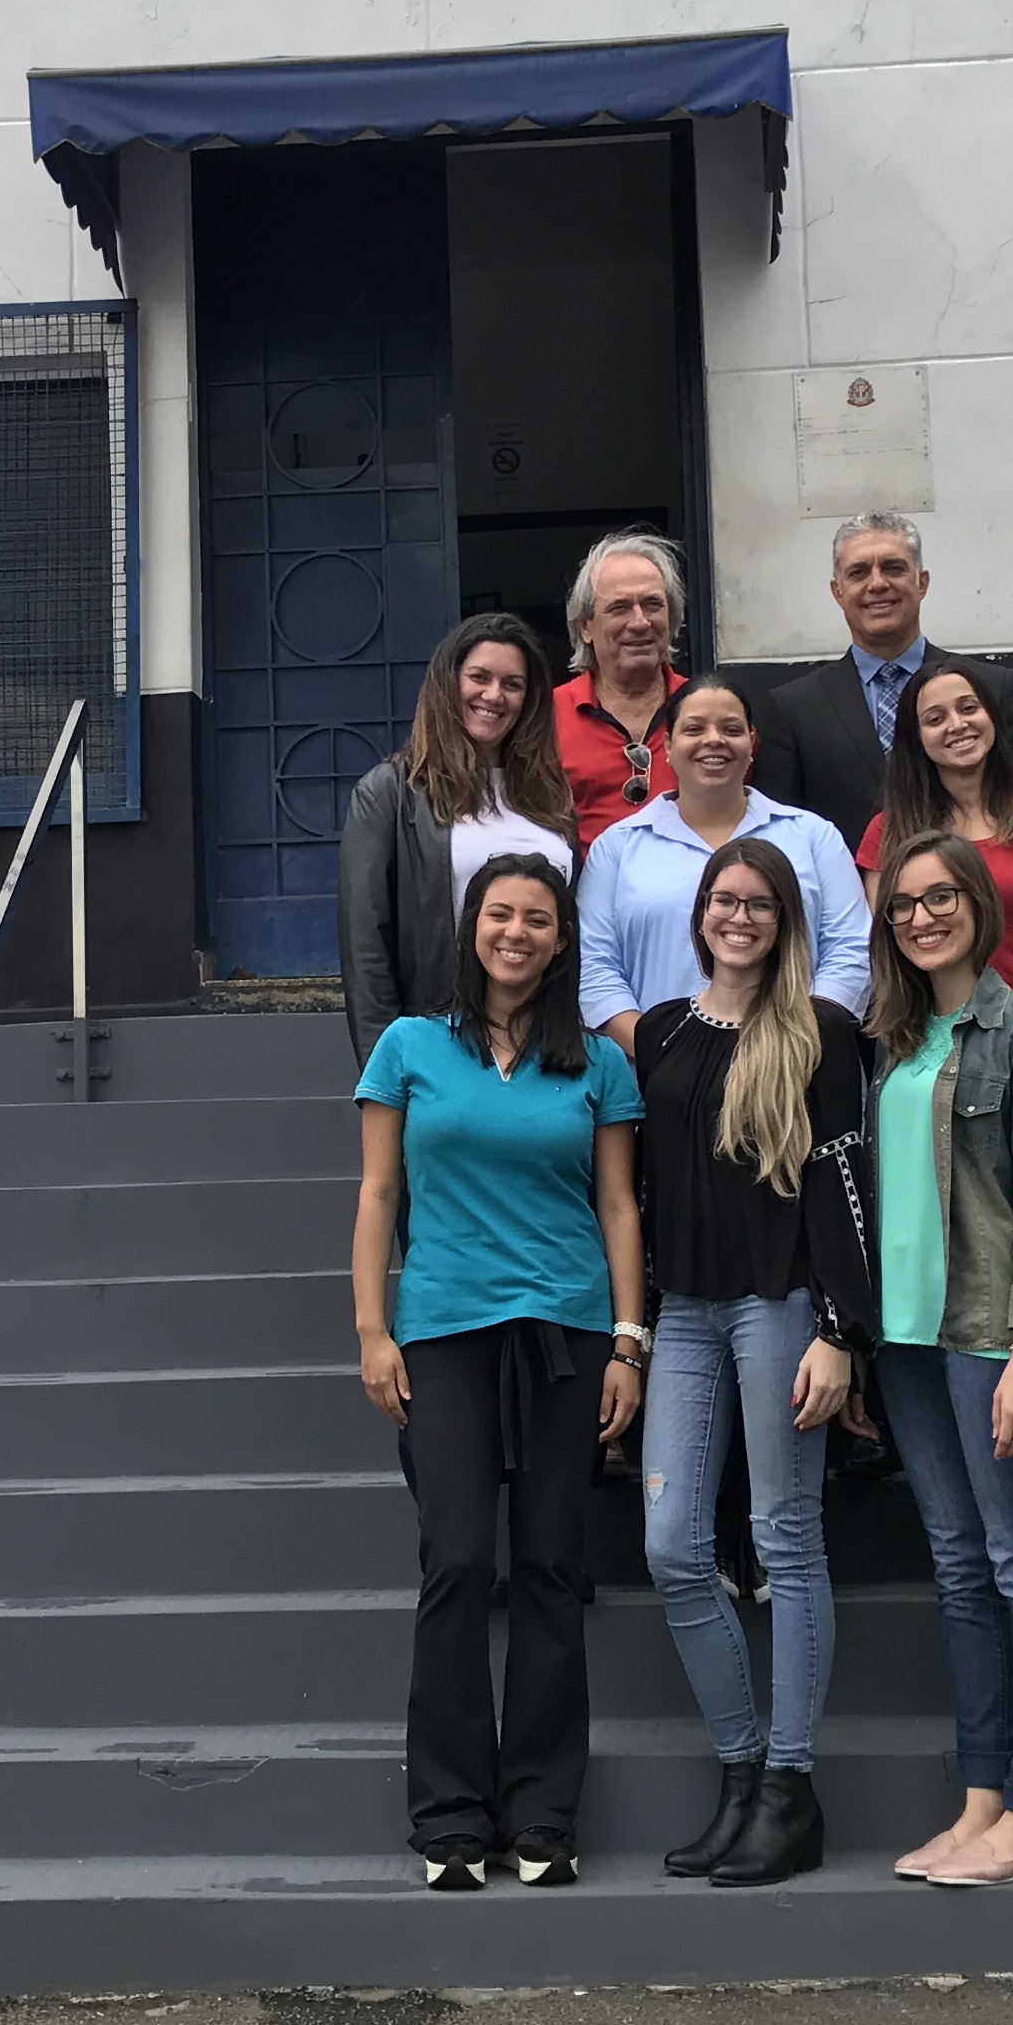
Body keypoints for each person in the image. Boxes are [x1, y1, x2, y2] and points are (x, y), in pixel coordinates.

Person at [349, 853, 649, 1890]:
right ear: (471, 926)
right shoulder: (408, 1047)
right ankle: (448, 1817)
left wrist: (627, 1340)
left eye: (536, 919)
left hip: (566, 1334)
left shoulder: (597, 1064)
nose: (515, 933)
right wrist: (371, 1331)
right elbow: (380, 1195)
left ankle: (543, 1817)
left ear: (561, 939)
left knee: (555, 1570)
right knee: (461, 1562)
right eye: (499, 915)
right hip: (444, 1329)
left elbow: (618, 1207)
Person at [631, 837, 875, 1888]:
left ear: (785, 922)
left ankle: (790, 1785)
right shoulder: (661, 1034)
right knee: (674, 1543)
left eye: (759, 905)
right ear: (699, 915)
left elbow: (844, 1192)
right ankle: (739, 1774)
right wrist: (630, 1331)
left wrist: (839, 1332)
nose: (738, 918)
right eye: (723, 902)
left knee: (784, 1536)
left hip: (781, 1305)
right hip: (684, 1310)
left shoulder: (819, 1031)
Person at [860, 830, 1013, 1886]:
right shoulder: (890, 1039)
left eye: (940, 897)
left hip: (994, 1339)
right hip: (909, 1340)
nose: (922, 917)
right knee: (960, 1570)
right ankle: (983, 1801)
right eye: (903, 904)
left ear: (979, 905)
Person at [579, 675, 871, 1049]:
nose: (713, 740)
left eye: (730, 728)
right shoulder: (616, 849)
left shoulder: (813, 838)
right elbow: (594, 967)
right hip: (656, 1081)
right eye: (694, 728)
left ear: (752, 743)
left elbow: (852, 949)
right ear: (667, 745)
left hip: (796, 1069)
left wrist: (796, 1043)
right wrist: (663, 1053)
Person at [338, 612, 577, 1061]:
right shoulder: (391, 792)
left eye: (513, 684)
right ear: (449, 682)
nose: (494, 695)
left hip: (548, 1041)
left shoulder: (552, 797)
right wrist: (384, 1073)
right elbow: (366, 947)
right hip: (442, 1043)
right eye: (479, 677)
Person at [753, 512, 1013, 849]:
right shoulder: (794, 709)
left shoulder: (993, 689)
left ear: (921, 583)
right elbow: (778, 839)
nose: (877, 584)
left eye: (893, 568)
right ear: (838, 592)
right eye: (858, 573)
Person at [853, 659, 1013, 1013]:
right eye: (935, 719)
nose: (958, 725)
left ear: (992, 718)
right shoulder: (887, 832)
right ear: (916, 738)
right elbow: (887, 956)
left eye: (969, 708)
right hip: (933, 1030)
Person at [552, 533, 689, 838]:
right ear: (585, 626)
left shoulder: (707, 711)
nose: (640, 622)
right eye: (619, 608)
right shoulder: (545, 717)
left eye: (653, 604)